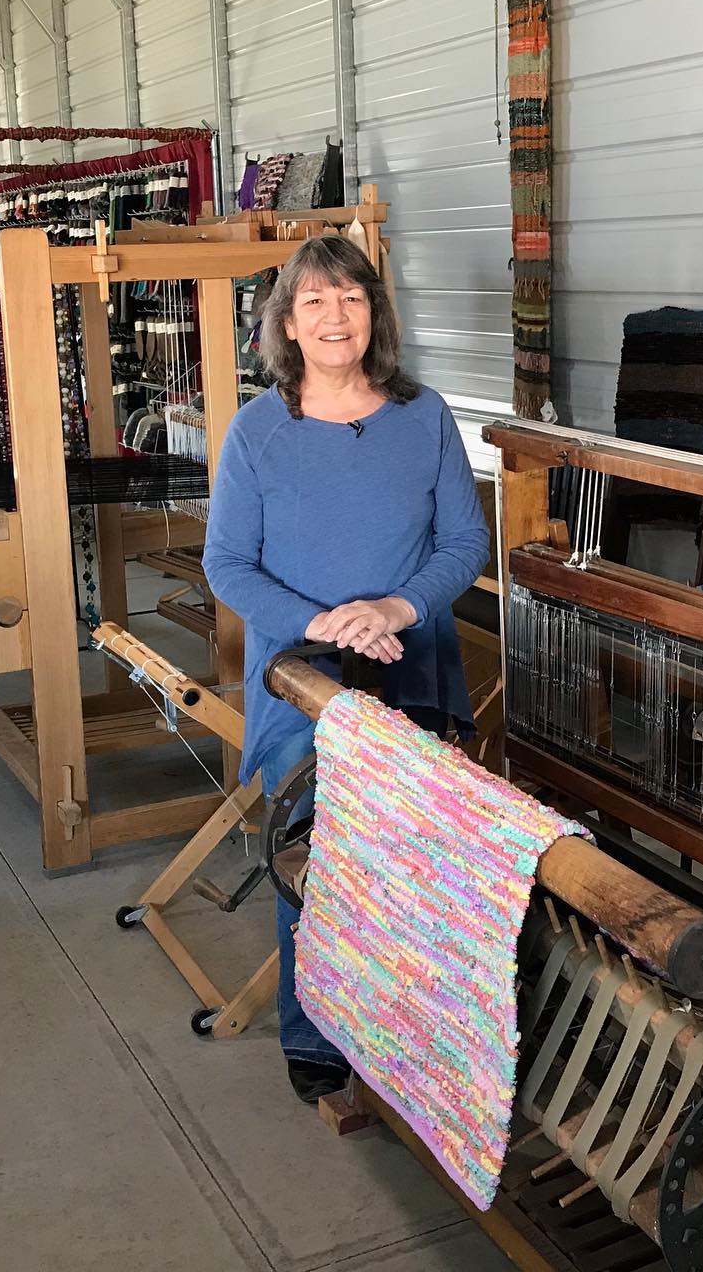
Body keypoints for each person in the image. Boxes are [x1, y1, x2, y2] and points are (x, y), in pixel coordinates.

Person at [203, 234, 490, 1104]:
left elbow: (465, 542)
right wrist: (322, 620)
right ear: (286, 323)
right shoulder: (258, 432)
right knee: (317, 858)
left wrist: (397, 608)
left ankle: (415, 1026)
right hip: (305, 685)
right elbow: (228, 564)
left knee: (421, 861)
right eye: (316, 303)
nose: (336, 317)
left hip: (413, 667)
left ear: (375, 314)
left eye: (352, 299)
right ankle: (317, 1033)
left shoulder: (424, 415)